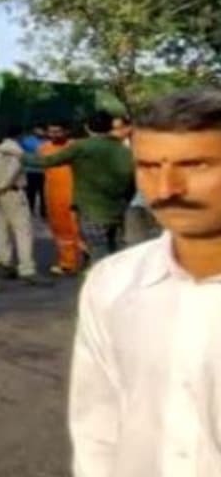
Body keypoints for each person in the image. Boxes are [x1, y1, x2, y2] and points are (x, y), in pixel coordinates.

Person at [69, 87, 221, 476]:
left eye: (196, 165)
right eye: (149, 167)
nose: (167, 189)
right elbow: (97, 426)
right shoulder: (112, 283)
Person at [28, 112, 135, 264]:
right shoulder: (124, 150)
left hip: (89, 209)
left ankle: (99, 281)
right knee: (113, 248)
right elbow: (132, 180)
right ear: (111, 127)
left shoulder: (81, 147)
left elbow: (47, 162)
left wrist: (18, 155)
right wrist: (125, 201)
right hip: (116, 210)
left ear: (87, 127)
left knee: (98, 250)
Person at [0, 121, 42, 283]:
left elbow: (13, 171)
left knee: (8, 230)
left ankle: (13, 265)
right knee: (13, 230)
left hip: (7, 192)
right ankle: (21, 267)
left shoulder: (10, 148)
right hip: (6, 193)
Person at [39, 123, 83, 275]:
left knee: (77, 229)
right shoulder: (44, 148)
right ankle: (67, 263)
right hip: (53, 194)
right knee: (60, 231)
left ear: (66, 131)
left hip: (73, 193)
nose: (55, 134)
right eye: (51, 132)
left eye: (58, 131)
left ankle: (83, 261)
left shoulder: (75, 147)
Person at [113, 115, 160, 245]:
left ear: (129, 127)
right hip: (132, 203)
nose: (115, 133)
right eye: (113, 129)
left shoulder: (144, 144)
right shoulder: (114, 148)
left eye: (118, 128)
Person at [20, 123, 47, 219]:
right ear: (34, 130)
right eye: (39, 129)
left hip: (44, 171)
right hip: (30, 171)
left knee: (44, 193)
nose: (41, 132)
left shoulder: (47, 141)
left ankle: (44, 213)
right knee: (30, 193)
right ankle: (28, 211)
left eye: (43, 130)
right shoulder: (26, 141)